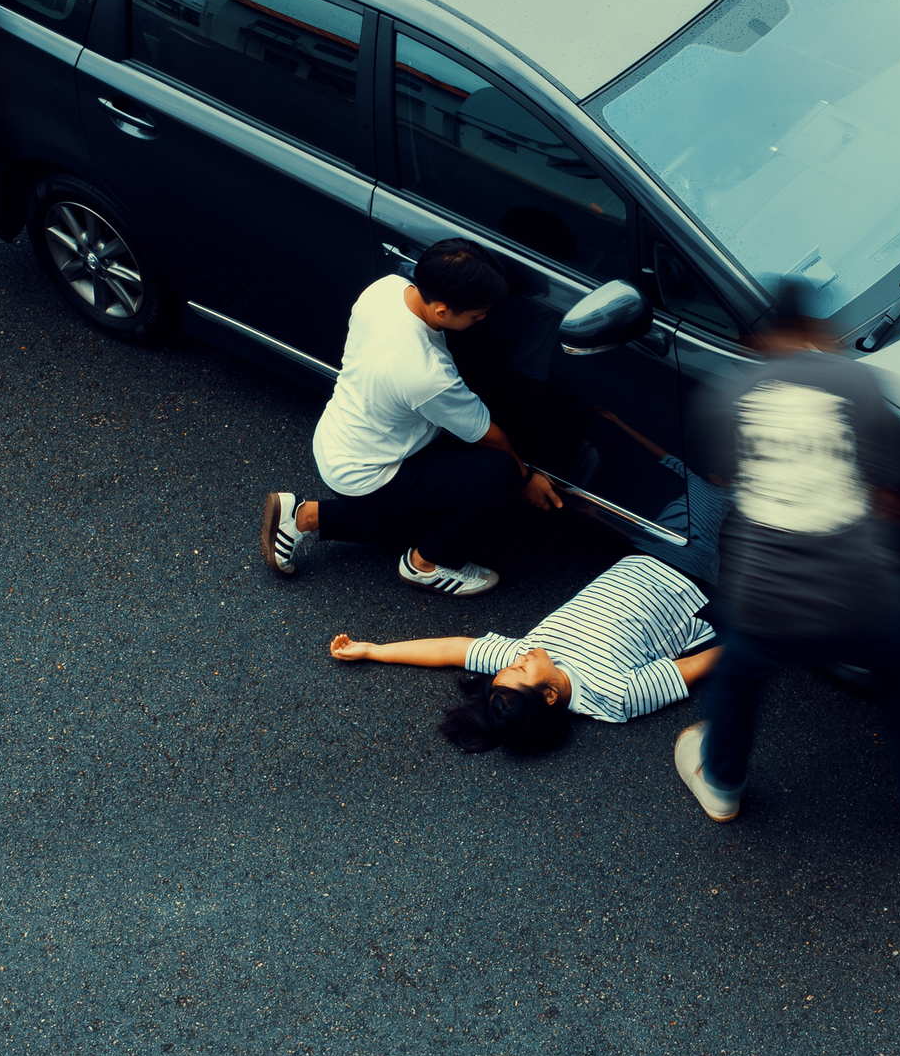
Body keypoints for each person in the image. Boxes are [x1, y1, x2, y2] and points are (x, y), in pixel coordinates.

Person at [671, 279, 900, 849]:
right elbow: (896, 490)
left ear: (758, 340)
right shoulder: (857, 382)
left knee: (738, 678)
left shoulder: (725, 395)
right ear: (815, 331)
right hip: (864, 590)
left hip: (764, 596)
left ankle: (723, 782)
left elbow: (718, 475)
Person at [260, 240, 563, 596]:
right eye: (477, 314)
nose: (484, 318)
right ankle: (425, 564)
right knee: (499, 474)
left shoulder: (386, 290)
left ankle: (304, 516)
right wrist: (525, 477)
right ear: (440, 311)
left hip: (341, 437)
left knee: (434, 495)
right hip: (371, 473)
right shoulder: (426, 375)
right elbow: (489, 436)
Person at [327, 553, 721, 753]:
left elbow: (452, 649)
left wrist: (375, 651)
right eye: (521, 668)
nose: (522, 657)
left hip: (640, 556)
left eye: (512, 666)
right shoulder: (616, 696)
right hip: (698, 579)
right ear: (549, 695)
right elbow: (700, 663)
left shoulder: (521, 659)